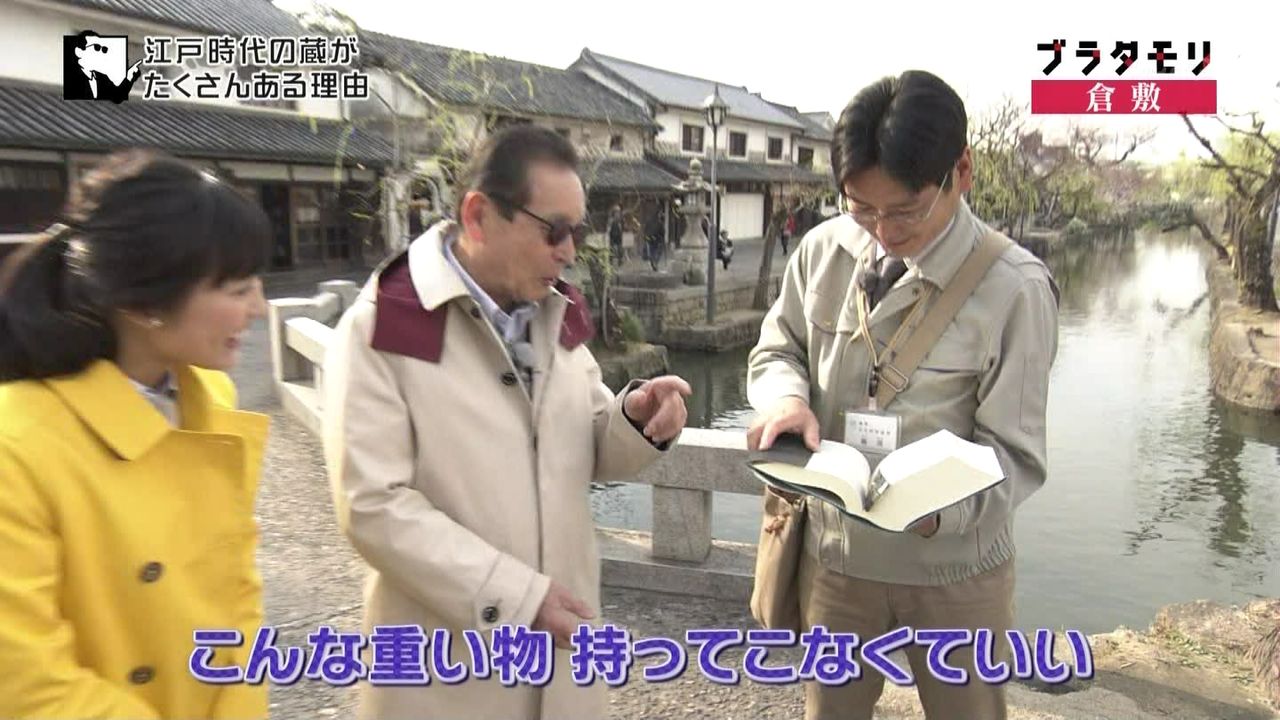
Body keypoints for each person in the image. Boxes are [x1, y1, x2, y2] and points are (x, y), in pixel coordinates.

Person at [323, 124, 690, 720]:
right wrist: (517, 599)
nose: (569, 252)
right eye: (555, 231)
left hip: (562, 663)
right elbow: (372, 505)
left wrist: (634, 420)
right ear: (478, 216)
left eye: (578, 232)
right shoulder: (385, 325)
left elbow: (589, 435)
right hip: (446, 679)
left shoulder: (555, 310)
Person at [746, 70, 1060, 720]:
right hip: (837, 559)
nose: (883, 231)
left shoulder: (1015, 288)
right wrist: (785, 400)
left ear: (961, 171)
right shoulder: (823, 251)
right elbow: (778, 349)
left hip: (955, 573)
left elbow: (1017, 455)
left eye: (906, 210)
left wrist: (940, 511)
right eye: (862, 207)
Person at [0, 150, 272, 718]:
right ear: (145, 303)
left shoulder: (209, 401)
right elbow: (27, 683)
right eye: (237, 289)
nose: (259, 308)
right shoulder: (18, 445)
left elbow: (237, 594)